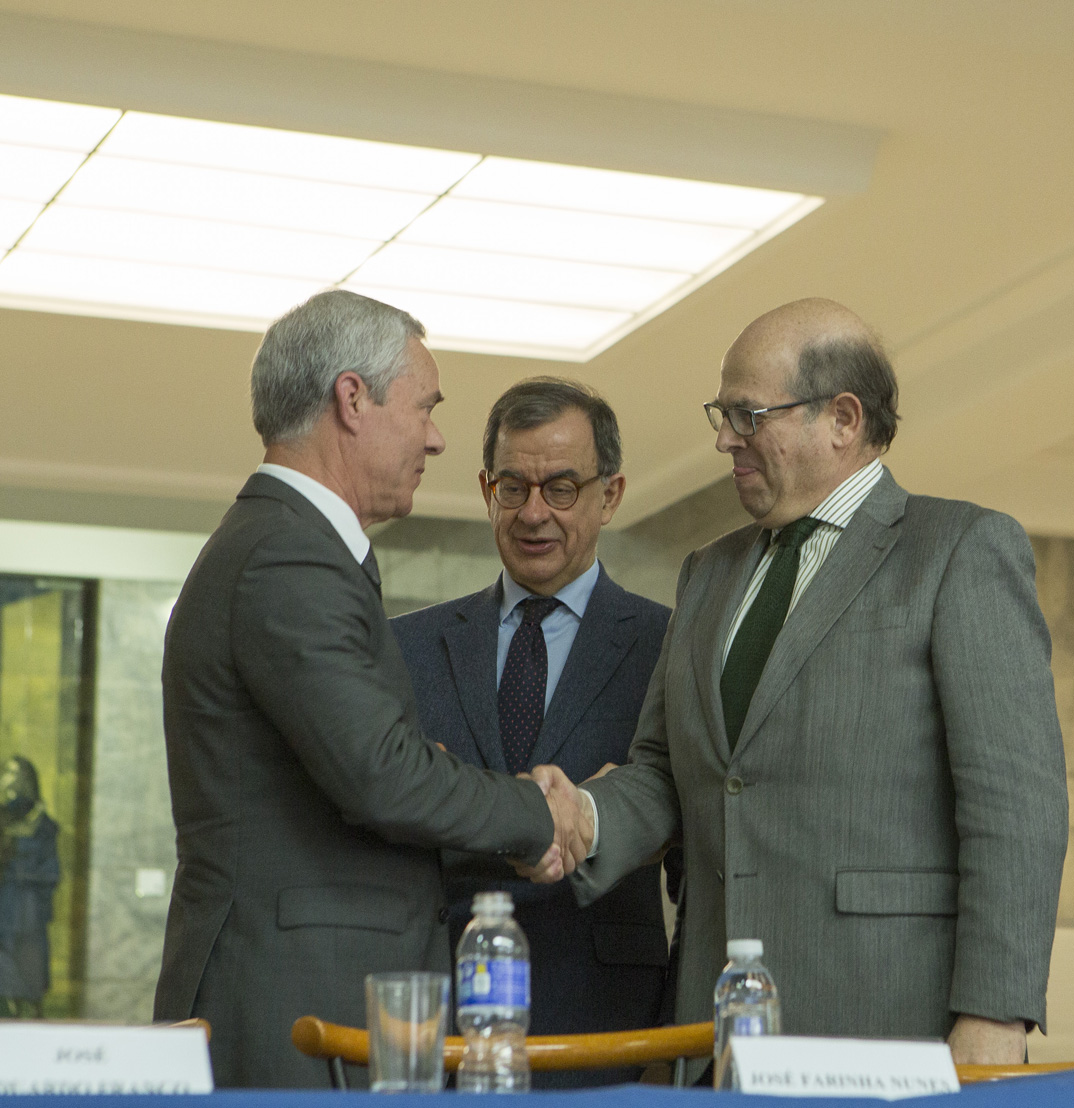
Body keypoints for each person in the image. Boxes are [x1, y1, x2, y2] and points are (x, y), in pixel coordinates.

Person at [543, 298, 1069, 1067]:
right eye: (721, 414)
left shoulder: (960, 550)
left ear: (843, 419)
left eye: (748, 414)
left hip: (887, 1028)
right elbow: (666, 770)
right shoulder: (707, 572)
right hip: (709, 1037)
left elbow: (1016, 804)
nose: (726, 438)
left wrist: (997, 1012)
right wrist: (584, 816)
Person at [153, 290, 586, 1088]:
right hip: (292, 1002)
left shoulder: (293, 546)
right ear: (352, 399)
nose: (436, 437)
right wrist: (540, 812)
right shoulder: (289, 554)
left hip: (310, 994)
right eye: (424, 407)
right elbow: (379, 774)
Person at [391, 378, 673, 1087]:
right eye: (513, 487)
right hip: (442, 1021)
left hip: (610, 1022)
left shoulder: (671, 647)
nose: (533, 513)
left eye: (562, 487)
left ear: (610, 495)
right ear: (486, 490)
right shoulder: (405, 649)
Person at [0, 755, 60, 1019]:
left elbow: (51, 871)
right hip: (6, 902)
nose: (6, 778)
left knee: (30, 958)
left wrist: (23, 872)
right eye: (4, 772)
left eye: (12, 772)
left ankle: (31, 1007)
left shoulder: (42, 824)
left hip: (28, 907)